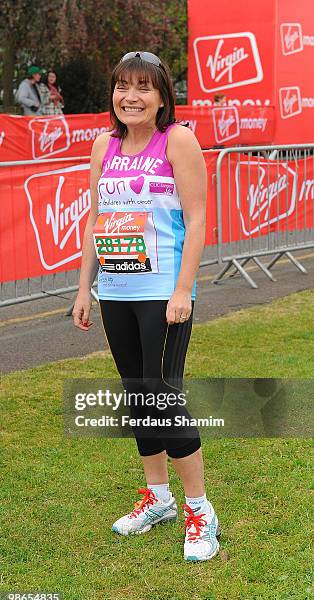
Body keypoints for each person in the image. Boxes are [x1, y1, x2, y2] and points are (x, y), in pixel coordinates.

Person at [72, 51, 221, 562]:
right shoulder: (103, 146)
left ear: (161, 96)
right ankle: (158, 500)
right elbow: (97, 220)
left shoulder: (177, 140)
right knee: (138, 399)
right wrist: (83, 288)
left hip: (163, 292)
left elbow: (197, 222)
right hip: (116, 292)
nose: (130, 97)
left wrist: (183, 290)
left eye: (142, 87)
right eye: (121, 87)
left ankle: (200, 510)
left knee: (162, 397)